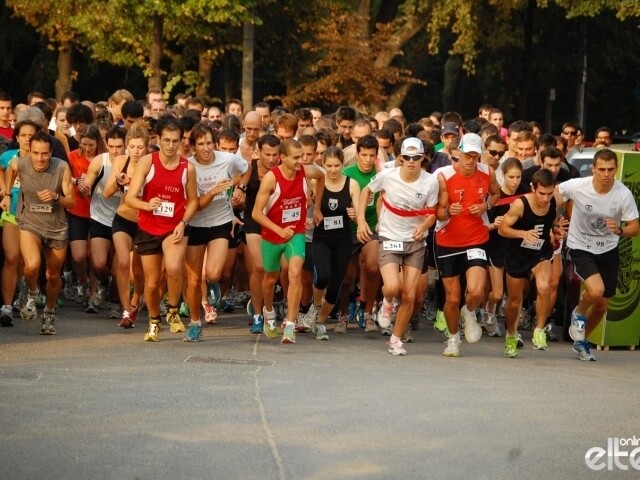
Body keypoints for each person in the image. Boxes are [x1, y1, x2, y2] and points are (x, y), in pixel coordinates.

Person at [358, 138, 439, 355]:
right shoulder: (388, 175)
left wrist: (424, 226)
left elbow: (432, 213)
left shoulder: (431, 181)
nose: (412, 162)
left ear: (423, 158)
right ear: (401, 158)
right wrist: (361, 221)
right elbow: (366, 191)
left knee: (410, 295)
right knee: (393, 287)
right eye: (407, 158)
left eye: (417, 158)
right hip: (390, 237)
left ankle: (395, 340)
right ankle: (386, 302)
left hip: (415, 242)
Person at [559, 149, 639, 361]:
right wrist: (554, 223)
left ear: (616, 169)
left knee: (603, 304)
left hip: (608, 250)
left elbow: (635, 227)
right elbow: (555, 197)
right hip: (580, 246)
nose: (606, 174)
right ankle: (578, 314)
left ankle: (581, 341)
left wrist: (620, 230)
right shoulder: (577, 186)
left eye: (610, 169)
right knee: (596, 291)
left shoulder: (623, 194)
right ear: (593, 169)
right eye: (601, 169)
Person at [125, 116, 198, 342]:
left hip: (173, 227)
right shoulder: (148, 162)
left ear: (180, 141)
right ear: (159, 139)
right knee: (153, 283)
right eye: (166, 140)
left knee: (175, 267)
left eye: (175, 141)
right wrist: (147, 205)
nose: (170, 145)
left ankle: (173, 309)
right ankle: (154, 320)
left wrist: (183, 222)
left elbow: (194, 200)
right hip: (148, 227)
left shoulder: (188, 167)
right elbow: (130, 198)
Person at [251, 138, 324, 344]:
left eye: (302, 157)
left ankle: (290, 325)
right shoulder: (271, 179)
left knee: (294, 273)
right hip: (273, 235)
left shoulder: (305, 172)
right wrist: (278, 229)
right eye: (296, 158)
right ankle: (269, 311)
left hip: (296, 233)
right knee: (270, 280)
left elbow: (321, 176)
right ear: (282, 158)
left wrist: (316, 207)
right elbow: (257, 213)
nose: (301, 161)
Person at [1, 131, 75, 334]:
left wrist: (56, 196)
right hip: (30, 223)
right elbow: (9, 169)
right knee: (32, 266)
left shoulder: (61, 167)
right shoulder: (21, 163)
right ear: (30, 152)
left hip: (56, 227)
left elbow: (72, 201)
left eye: (44, 154)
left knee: (52, 276)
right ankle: (32, 292)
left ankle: (49, 313)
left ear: (51, 152)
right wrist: (7, 194)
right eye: (35, 153)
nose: (40, 158)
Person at [434, 133, 500, 357]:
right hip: (447, 240)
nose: (471, 160)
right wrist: (447, 213)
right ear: (458, 153)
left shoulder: (487, 172)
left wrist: (485, 207)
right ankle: (453, 339)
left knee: (476, 290)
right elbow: (438, 212)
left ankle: (469, 310)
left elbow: (496, 194)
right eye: (467, 155)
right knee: (452, 297)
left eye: (475, 155)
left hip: (476, 239)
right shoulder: (443, 176)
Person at [184, 124, 248, 338]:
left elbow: (246, 170)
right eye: (200, 144)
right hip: (195, 224)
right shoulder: (188, 166)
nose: (206, 148)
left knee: (213, 273)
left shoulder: (228, 160)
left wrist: (239, 187)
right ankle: (194, 322)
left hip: (220, 222)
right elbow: (196, 204)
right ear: (192, 145)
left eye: (209, 143)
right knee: (193, 280)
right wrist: (213, 192)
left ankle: (213, 287)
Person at [498, 169, 566, 357]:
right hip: (517, 254)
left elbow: (553, 217)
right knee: (514, 302)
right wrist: (522, 234)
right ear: (532, 188)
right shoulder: (520, 205)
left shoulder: (556, 200)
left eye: (549, 193)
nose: (545, 198)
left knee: (544, 286)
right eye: (541, 193)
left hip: (540, 253)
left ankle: (539, 330)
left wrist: (555, 229)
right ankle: (511, 335)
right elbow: (503, 229)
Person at [300, 147, 360, 340]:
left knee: (335, 285)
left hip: (343, 240)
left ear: (343, 164)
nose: (333, 170)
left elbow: (359, 215)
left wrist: (354, 215)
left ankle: (321, 323)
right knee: (322, 276)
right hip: (321, 238)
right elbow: (304, 204)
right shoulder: (316, 181)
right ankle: (315, 307)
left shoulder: (352, 184)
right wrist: (304, 217)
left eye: (337, 166)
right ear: (323, 165)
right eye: (329, 166)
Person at [103, 122, 149, 328]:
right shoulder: (121, 161)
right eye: (132, 146)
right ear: (127, 146)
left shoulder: (152, 163)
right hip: (122, 218)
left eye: (140, 147)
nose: (136, 151)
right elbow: (107, 193)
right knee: (122, 263)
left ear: (147, 146)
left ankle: (137, 296)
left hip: (144, 223)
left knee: (137, 273)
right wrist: (119, 182)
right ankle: (125, 310)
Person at [78, 126, 126, 314]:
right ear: (106, 144)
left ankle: (115, 301)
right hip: (100, 217)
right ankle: (103, 284)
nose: (116, 150)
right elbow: (87, 184)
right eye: (112, 146)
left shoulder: (133, 161)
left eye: (120, 146)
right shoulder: (100, 161)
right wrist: (84, 188)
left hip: (123, 219)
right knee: (98, 264)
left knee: (117, 268)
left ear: (125, 145)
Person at [0, 120, 40, 325]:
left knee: (26, 263)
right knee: (11, 257)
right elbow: (2, 170)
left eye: (31, 135)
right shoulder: (8, 157)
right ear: (16, 137)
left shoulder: (43, 159)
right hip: (12, 214)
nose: (27, 139)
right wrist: (5, 193)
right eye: (23, 135)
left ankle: (25, 289)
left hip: (34, 217)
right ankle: (6, 306)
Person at [483, 157, 528, 337]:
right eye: (511, 177)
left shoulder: (526, 193)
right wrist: (495, 224)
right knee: (497, 293)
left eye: (518, 177)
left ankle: (513, 331)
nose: (515, 181)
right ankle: (489, 310)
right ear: (503, 176)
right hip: (496, 247)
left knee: (517, 294)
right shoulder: (496, 196)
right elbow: (483, 225)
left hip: (518, 248)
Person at [244, 134, 281, 334]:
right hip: (253, 222)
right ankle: (257, 314)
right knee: (259, 267)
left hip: (276, 223)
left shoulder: (284, 169)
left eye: (275, 154)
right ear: (259, 152)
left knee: (274, 270)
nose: (272, 158)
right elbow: (236, 184)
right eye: (267, 154)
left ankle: (270, 309)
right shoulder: (249, 166)